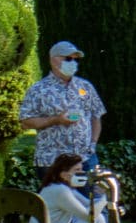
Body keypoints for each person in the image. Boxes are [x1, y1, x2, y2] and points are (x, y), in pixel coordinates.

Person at [19, 41, 107, 170]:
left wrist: (93, 143)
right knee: (57, 191)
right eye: (68, 59)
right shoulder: (38, 90)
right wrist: (56, 120)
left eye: (76, 60)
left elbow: (96, 116)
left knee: (90, 190)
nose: (73, 63)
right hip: (52, 161)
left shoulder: (85, 86)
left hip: (85, 159)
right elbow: (25, 122)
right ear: (54, 60)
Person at [37, 154, 112, 223]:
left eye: (81, 169)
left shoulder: (59, 187)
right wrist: (106, 198)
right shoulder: (61, 191)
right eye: (76, 170)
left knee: (98, 217)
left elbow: (88, 204)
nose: (81, 173)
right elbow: (89, 216)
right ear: (63, 174)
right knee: (95, 218)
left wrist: (101, 195)